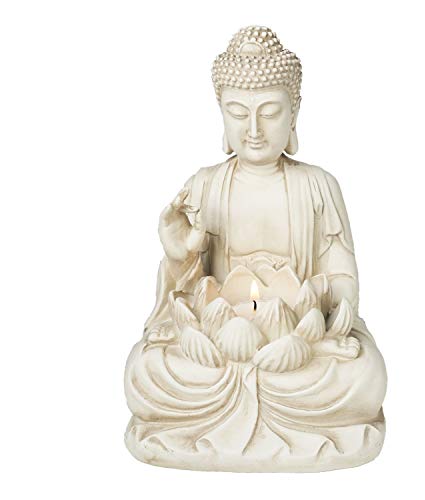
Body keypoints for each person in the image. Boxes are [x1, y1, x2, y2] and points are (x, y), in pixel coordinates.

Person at [125, 26, 387, 472]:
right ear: (221, 114)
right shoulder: (204, 185)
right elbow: (182, 300)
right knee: (145, 370)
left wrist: (309, 322)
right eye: (237, 113)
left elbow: (343, 282)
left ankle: (234, 416)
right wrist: (180, 255)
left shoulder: (318, 186)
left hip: (300, 343)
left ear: (294, 111)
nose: (253, 131)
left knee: (364, 376)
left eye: (269, 113)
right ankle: (267, 415)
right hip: (218, 344)